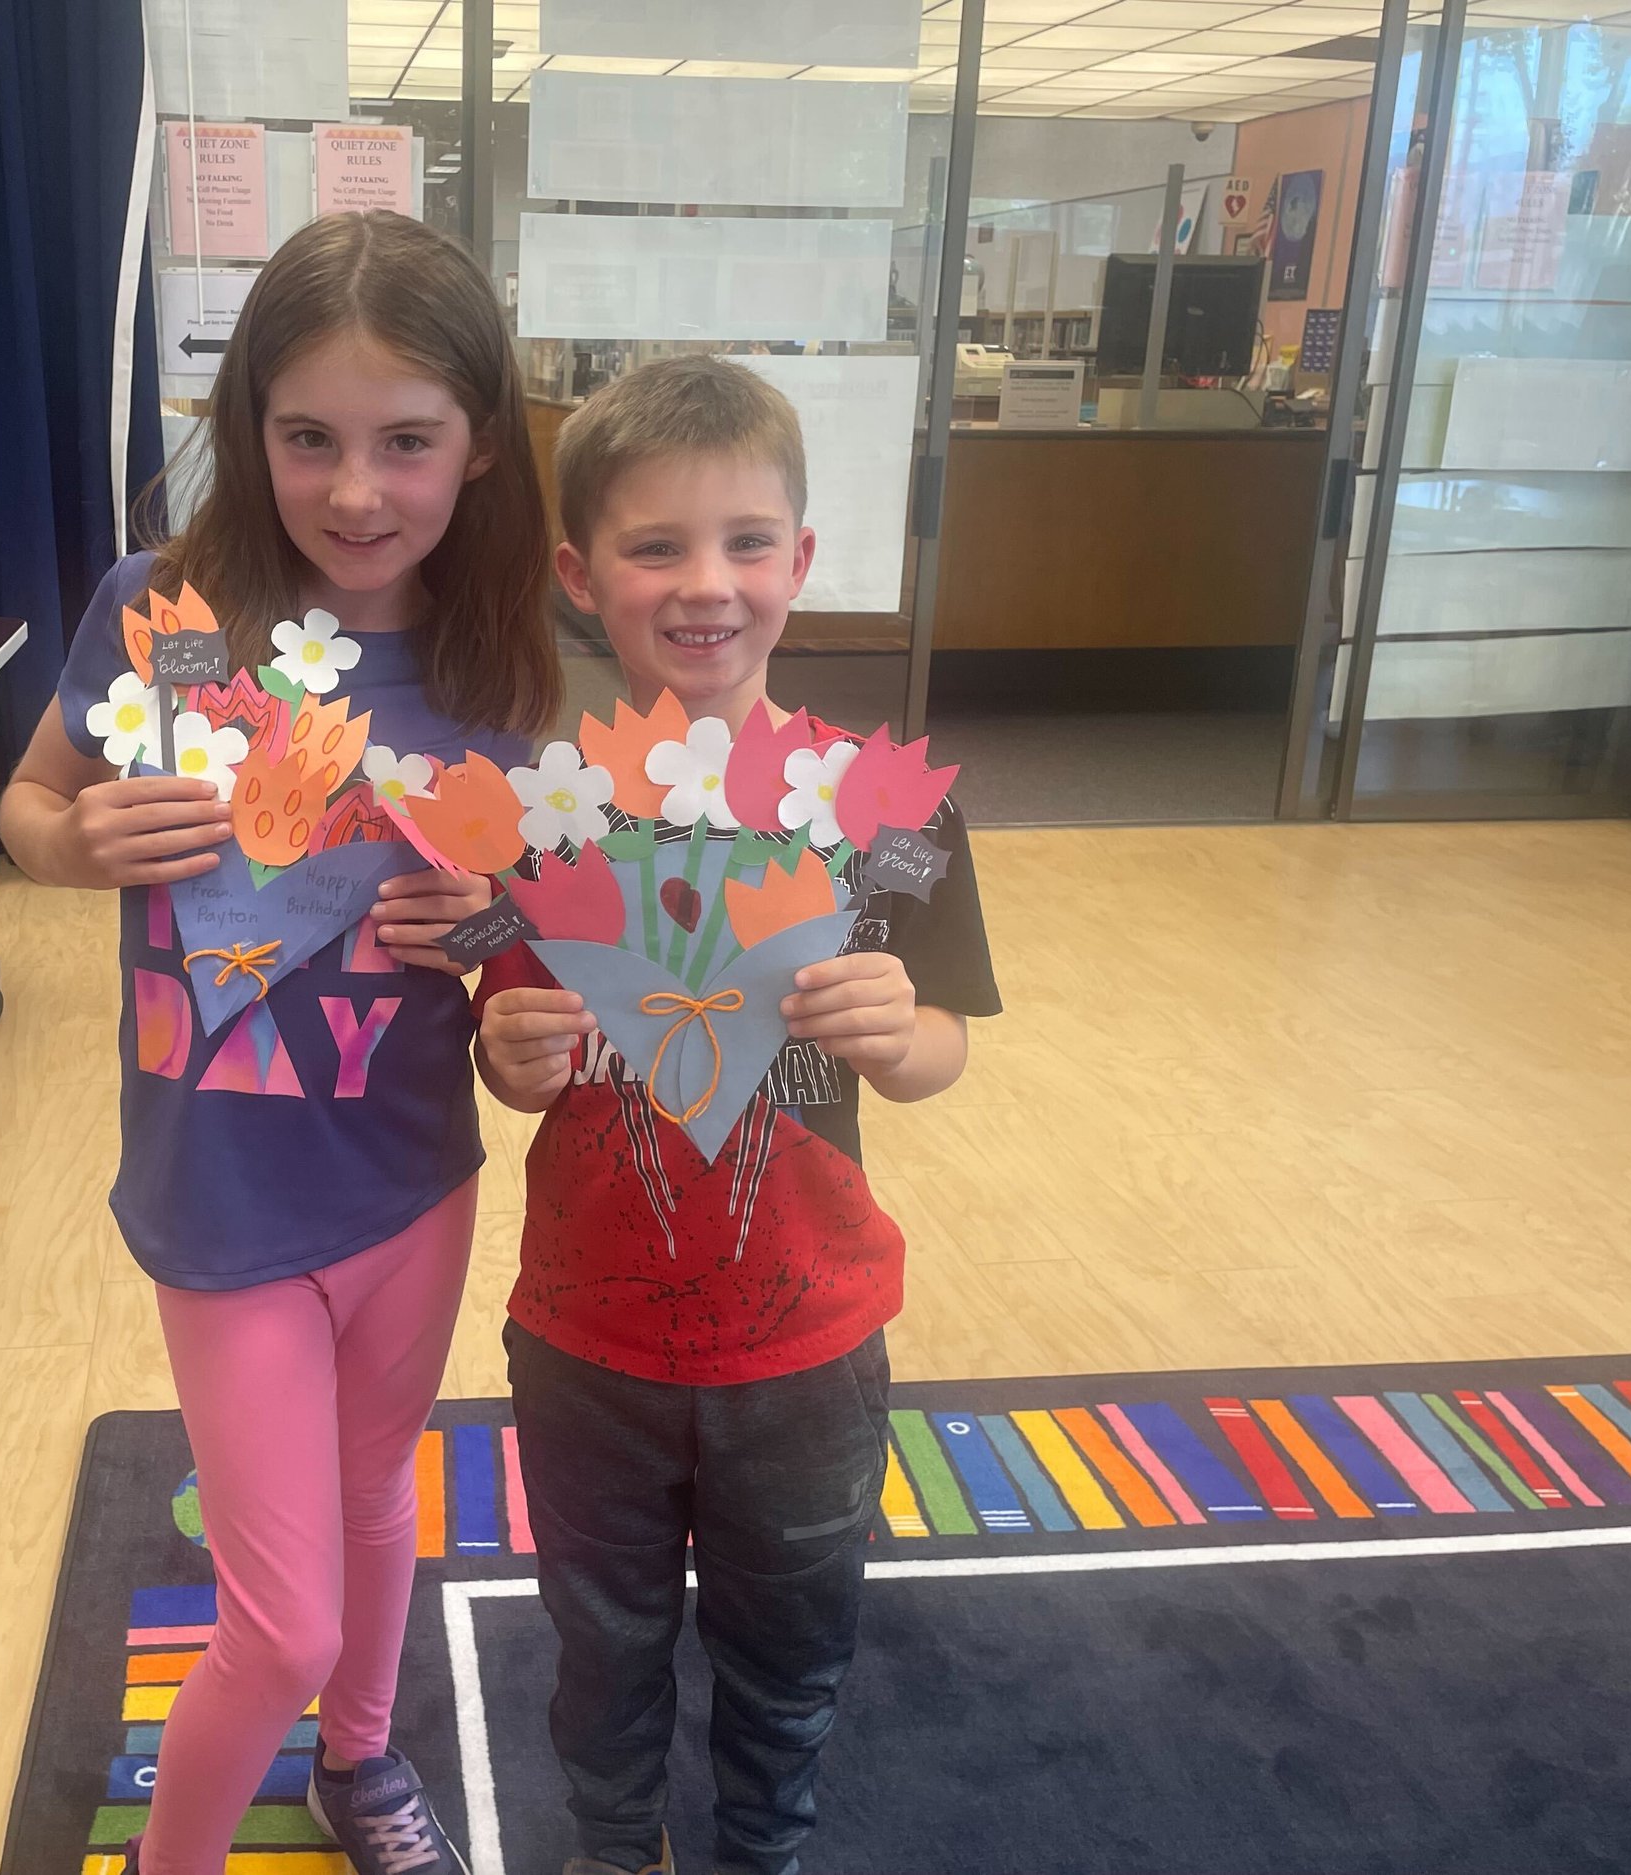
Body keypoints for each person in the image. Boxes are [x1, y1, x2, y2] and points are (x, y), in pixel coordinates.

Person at [1, 210, 559, 1875]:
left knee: (380, 1497)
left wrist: (483, 935)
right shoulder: (163, 615)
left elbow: (516, 931)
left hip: (407, 1175)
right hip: (225, 1199)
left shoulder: (492, 657)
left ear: (479, 448)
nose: (357, 490)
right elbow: (28, 802)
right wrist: (76, 838)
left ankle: (362, 1768)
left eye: (409, 443)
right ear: (250, 427)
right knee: (286, 1619)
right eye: (308, 438)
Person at [474, 357, 1002, 1875]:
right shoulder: (543, 814)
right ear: (582, 576)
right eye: (657, 547)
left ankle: (763, 1843)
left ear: (803, 562)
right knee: (602, 1638)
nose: (707, 586)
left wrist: (903, 1035)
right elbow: (515, 1053)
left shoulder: (881, 810)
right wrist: (511, 1056)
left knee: (794, 1634)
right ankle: (609, 1840)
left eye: (747, 543)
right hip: (590, 1334)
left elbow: (946, 1047)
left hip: (809, 1334)